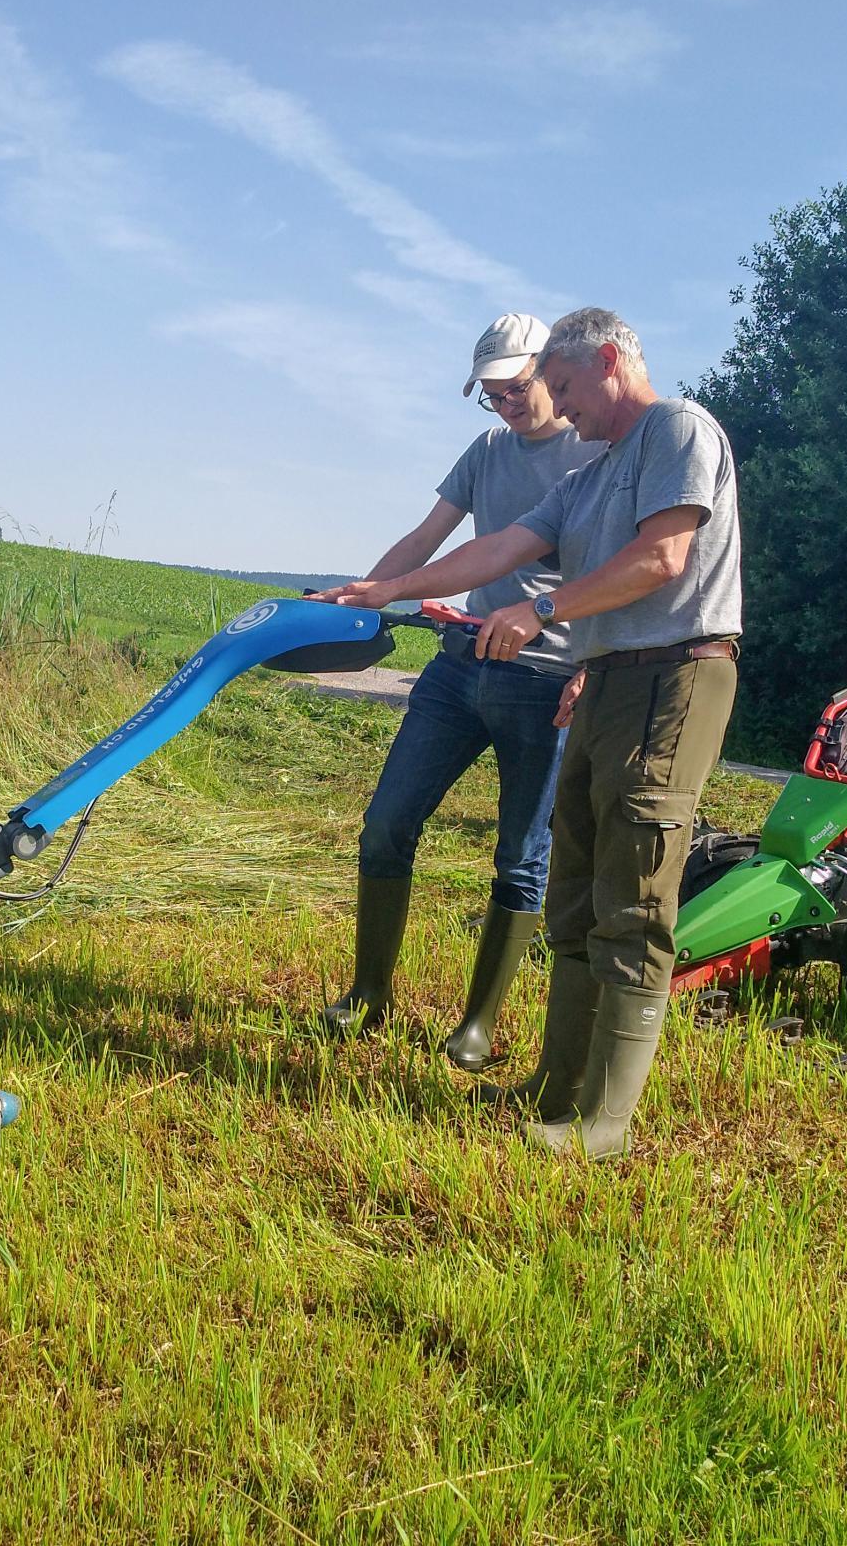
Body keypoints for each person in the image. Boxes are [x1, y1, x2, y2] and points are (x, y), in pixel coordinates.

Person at [320, 307, 742, 1158]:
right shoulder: (590, 475)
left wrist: (543, 609)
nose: (558, 405)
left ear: (610, 360)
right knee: (575, 893)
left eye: (563, 386)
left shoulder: (676, 429)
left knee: (633, 894)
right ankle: (555, 1087)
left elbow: (662, 559)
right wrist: (385, 590)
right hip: (607, 677)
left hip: (673, 674)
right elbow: (498, 549)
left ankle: (603, 1124)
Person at [310, 313, 606, 1072]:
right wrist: (367, 592)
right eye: (490, 395)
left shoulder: (594, 449)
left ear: (551, 371)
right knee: (386, 824)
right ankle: (368, 994)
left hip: (546, 681)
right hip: (460, 668)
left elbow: (619, 569)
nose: (505, 406)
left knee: (520, 856)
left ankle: (477, 1024)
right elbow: (426, 537)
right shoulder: (487, 451)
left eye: (515, 388)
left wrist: (591, 663)